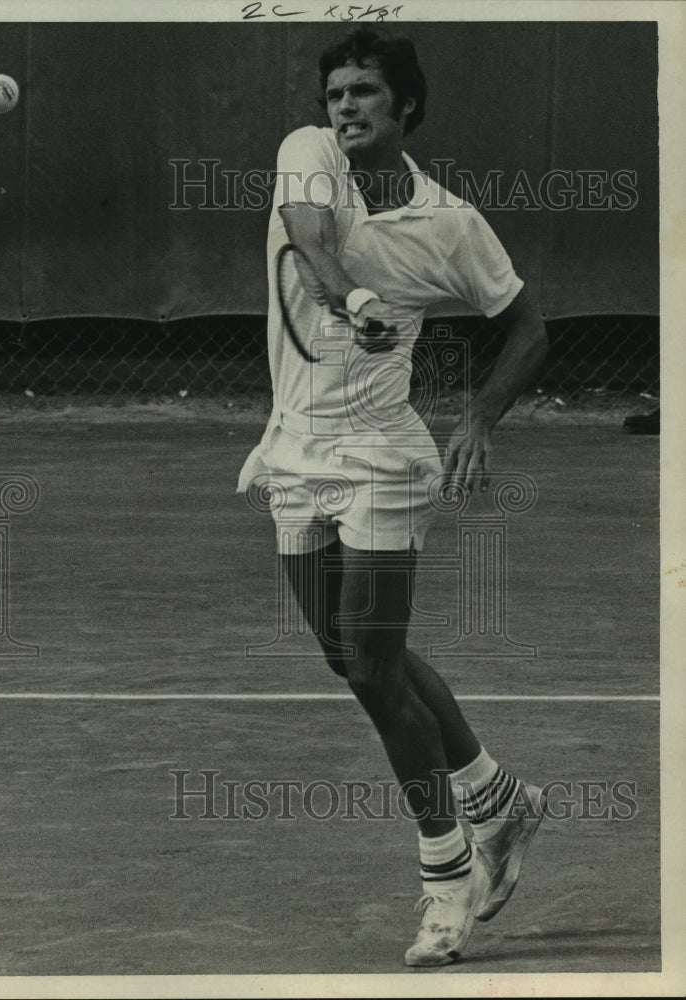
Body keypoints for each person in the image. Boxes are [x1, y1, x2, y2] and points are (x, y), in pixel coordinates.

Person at [238, 27, 550, 967]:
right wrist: (354, 301)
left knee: (374, 668)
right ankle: (502, 803)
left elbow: (529, 330)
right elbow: (310, 244)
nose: (344, 107)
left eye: (365, 93)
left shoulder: (450, 225)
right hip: (293, 452)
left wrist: (479, 418)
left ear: (404, 108)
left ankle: (445, 879)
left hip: (381, 457)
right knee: (348, 656)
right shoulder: (306, 155)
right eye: (336, 92)